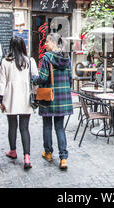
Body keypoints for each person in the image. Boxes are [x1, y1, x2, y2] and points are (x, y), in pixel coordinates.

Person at [32, 33, 73, 170]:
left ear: (53, 43)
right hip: (62, 97)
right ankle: (64, 158)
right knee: (60, 127)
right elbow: (70, 78)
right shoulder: (66, 57)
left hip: (49, 97)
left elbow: (43, 78)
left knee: (48, 126)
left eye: (47, 42)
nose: (45, 44)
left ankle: (48, 153)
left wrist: (33, 78)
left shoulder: (47, 57)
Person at [0, 36, 38, 170]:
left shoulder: (5, 62)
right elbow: (35, 80)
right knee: (25, 128)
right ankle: (27, 157)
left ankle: (13, 151)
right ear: (23, 46)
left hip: (10, 97)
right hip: (26, 97)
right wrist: (35, 95)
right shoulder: (30, 61)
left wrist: (0, 99)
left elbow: (1, 82)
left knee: (12, 126)